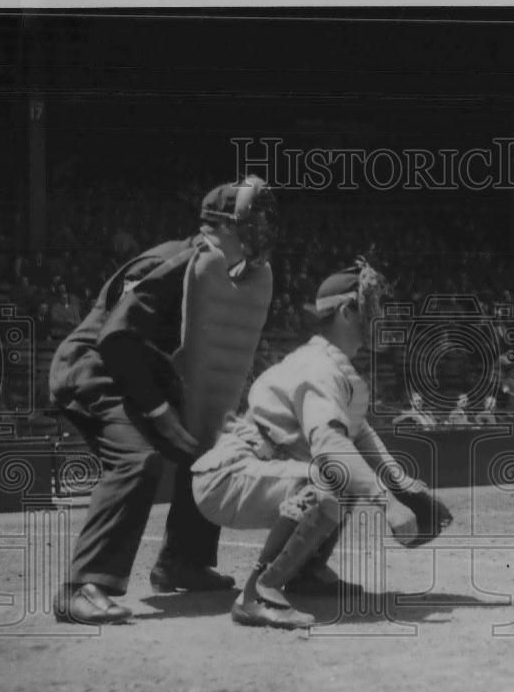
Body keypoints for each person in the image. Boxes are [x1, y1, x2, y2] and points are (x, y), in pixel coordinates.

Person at [48, 175, 277, 624]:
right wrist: (158, 410)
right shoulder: (179, 260)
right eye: (256, 217)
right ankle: (81, 587)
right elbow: (116, 339)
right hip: (91, 368)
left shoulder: (222, 275)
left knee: (205, 450)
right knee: (139, 457)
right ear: (225, 225)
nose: (265, 226)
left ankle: (182, 562)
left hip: (138, 375)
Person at [190, 258, 452, 629]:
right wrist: (387, 502)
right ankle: (256, 593)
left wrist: (397, 479)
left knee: (347, 474)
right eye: (372, 305)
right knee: (330, 476)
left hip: (262, 467)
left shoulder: (334, 365)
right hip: (231, 474)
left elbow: (357, 434)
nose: (381, 315)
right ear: (347, 312)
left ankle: (304, 571)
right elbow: (332, 446)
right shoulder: (318, 368)